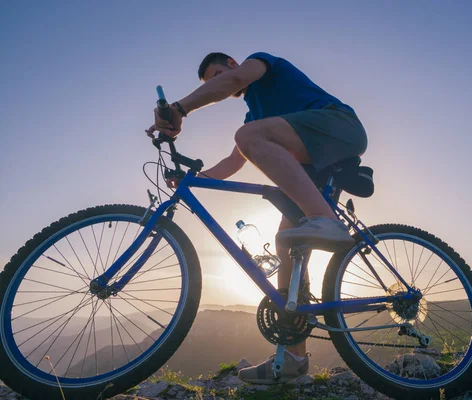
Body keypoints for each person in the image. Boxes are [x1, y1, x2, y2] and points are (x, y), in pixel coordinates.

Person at [146, 52, 368, 384]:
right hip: (317, 165)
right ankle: (293, 358)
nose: (218, 83)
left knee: (247, 136)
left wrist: (179, 108)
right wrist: (196, 178)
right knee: (287, 247)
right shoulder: (256, 119)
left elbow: (234, 85)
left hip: (338, 125)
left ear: (233, 64)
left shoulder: (260, 64)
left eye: (217, 74)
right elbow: (233, 162)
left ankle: (325, 219)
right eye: (210, 82)